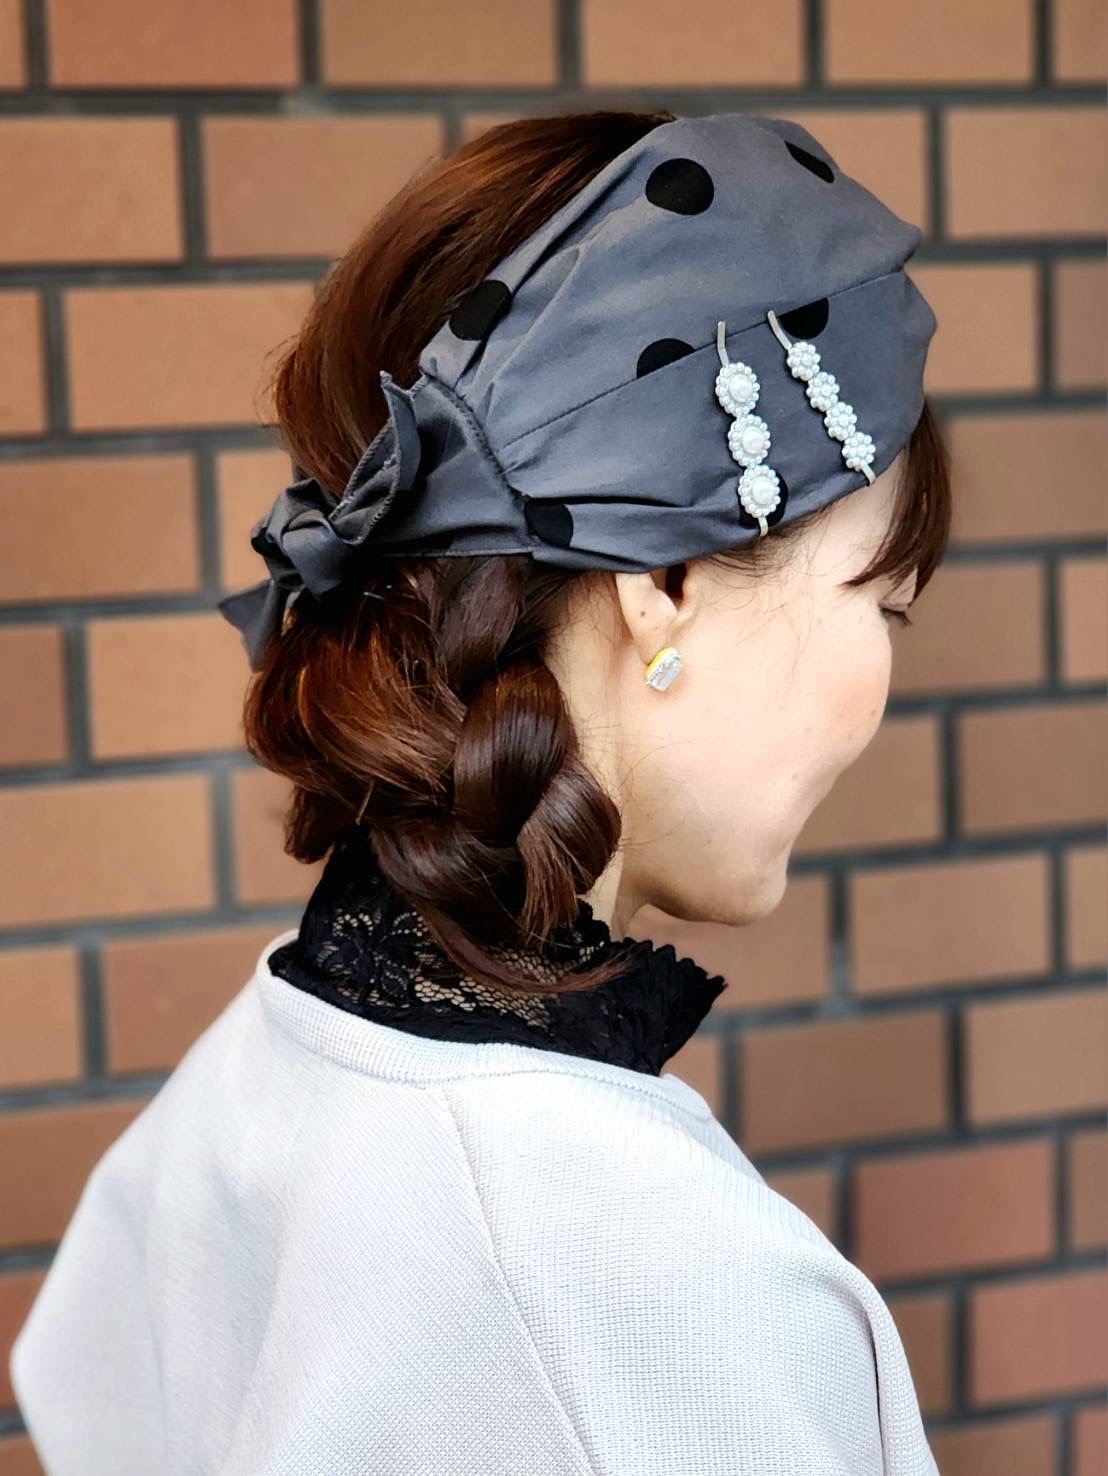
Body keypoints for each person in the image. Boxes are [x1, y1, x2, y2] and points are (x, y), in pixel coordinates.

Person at [10, 108, 952, 1474]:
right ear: (668, 578)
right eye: (883, 602)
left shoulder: (251, 1075)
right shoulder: (665, 1291)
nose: (883, 679)